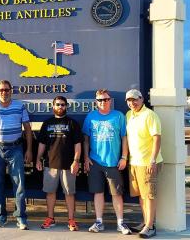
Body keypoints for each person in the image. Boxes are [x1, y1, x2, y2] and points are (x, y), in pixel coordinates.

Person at [0, 80, 33, 230]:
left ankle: (21, 218)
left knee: (20, 184)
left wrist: (29, 150)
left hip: (16, 148)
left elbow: (27, 129)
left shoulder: (19, 106)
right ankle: (0, 217)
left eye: (7, 90)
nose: (4, 92)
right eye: (1, 90)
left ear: (11, 91)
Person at [83, 89, 131, 235]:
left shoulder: (119, 116)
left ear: (110, 100)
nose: (103, 102)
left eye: (105, 99)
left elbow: (124, 137)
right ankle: (99, 222)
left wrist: (124, 157)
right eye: (100, 100)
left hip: (113, 161)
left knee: (116, 193)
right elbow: (85, 139)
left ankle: (120, 223)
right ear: (96, 102)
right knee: (98, 192)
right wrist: (86, 157)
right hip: (95, 161)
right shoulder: (91, 116)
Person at [36, 96, 82, 231]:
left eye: (63, 105)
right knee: (50, 193)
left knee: (69, 193)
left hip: (69, 165)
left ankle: (71, 220)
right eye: (58, 104)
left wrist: (76, 161)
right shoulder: (47, 123)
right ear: (53, 106)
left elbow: (78, 144)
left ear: (66, 106)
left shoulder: (72, 123)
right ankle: (50, 218)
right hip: (50, 165)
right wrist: (38, 158)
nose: (60, 107)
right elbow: (42, 144)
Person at [125, 89, 163, 239]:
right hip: (134, 162)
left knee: (149, 195)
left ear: (142, 99)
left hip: (148, 163)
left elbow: (157, 138)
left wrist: (152, 159)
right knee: (141, 195)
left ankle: (150, 226)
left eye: (135, 99)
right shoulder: (129, 115)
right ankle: (145, 222)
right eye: (129, 100)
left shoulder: (150, 115)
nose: (132, 103)